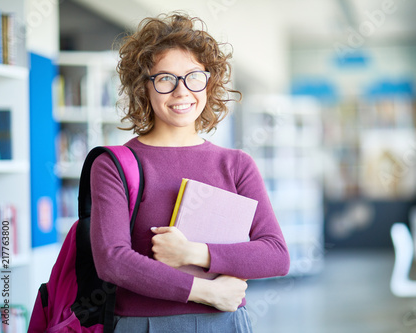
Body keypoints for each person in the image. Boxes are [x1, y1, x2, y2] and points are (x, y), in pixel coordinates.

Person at [90, 12, 290, 332]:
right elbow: (113, 261)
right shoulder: (116, 164)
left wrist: (193, 252)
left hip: (225, 322)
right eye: (165, 78)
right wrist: (207, 291)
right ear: (145, 87)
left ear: (209, 83)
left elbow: (276, 256)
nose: (182, 91)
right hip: (145, 324)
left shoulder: (236, 164)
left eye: (194, 76)